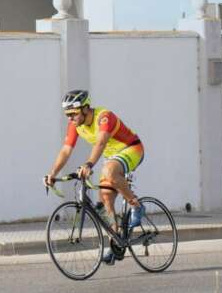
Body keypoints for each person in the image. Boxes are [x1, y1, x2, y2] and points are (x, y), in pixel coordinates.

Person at [44, 90, 146, 265]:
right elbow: (66, 150)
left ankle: (136, 205)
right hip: (112, 157)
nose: (70, 117)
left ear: (85, 108)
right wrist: (53, 173)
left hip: (131, 149)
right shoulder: (75, 124)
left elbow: (101, 142)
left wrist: (89, 164)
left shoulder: (104, 117)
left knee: (108, 171)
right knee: (105, 200)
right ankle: (116, 243)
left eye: (73, 113)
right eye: (67, 114)